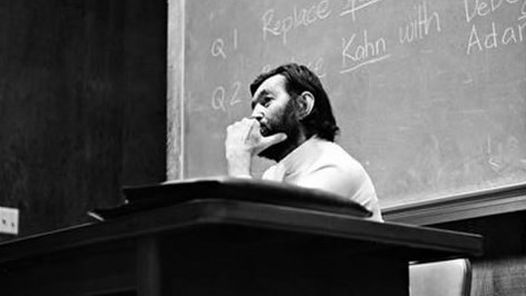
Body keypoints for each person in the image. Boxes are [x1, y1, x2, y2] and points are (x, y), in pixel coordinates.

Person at [225, 63, 382, 221]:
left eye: (267, 102)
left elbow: (278, 236)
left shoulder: (334, 167)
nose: (255, 115)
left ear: (303, 105)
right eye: (254, 107)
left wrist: (239, 161)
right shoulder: (273, 175)